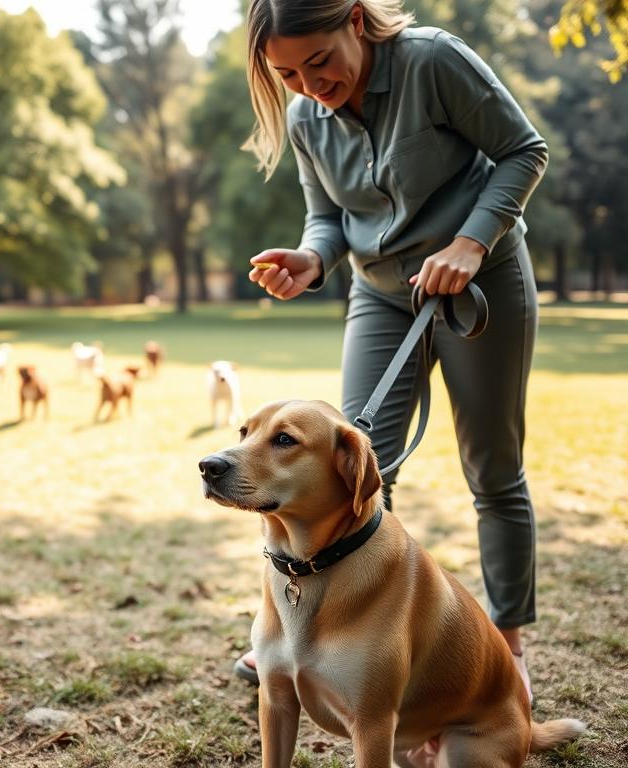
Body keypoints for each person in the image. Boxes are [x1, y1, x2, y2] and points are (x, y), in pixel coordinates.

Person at [235, 0, 548, 705]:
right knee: (356, 465)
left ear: (354, 18)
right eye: (287, 74)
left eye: (319, 60)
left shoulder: (433, 61)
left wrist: (471, 242)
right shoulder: (306, 117)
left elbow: (525, 151)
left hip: (481, 281)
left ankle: (508, 646)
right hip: (379, 294)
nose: (311, 86)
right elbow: (328, 217)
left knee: (493, 468)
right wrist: (313, 260)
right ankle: (317, 635)